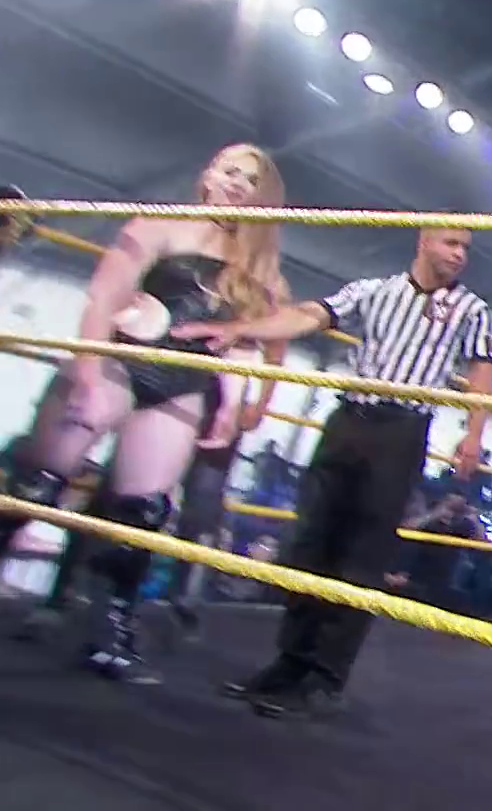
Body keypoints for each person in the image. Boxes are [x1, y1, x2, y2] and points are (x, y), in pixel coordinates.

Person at [175, 226, 492, 719]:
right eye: (451, 243)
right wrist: (243, 328)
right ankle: (289, 662)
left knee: (363, 554)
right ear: (424, 241)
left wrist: (473, 434)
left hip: (402, 429)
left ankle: (324, 677)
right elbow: (310, 315)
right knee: (312, 541)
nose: (459, 255)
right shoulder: (372, 290)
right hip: (348, 419)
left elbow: (481, 371)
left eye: (466, 249)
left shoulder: (472, 309)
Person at [0, 145, 288, 683]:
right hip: (120, 356)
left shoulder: (259, 266)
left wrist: (235, 403)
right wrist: (89, 370)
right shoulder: (161, 223)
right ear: (207, 175)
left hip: (184, 382)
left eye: (250, 179)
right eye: (230, 171)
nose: (237, 184)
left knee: (145, 512)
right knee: (38, 483)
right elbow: (105, 294)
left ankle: (111, 633)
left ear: (263, 194)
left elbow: (246, 343)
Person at [13, 342, 283, 644]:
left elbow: (273, 348)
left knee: (190, 511)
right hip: (164, 376)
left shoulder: (258, 316)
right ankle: (67, 598)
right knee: (113, 497)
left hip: (211, 393)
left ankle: (173, 611)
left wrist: (254, 405)